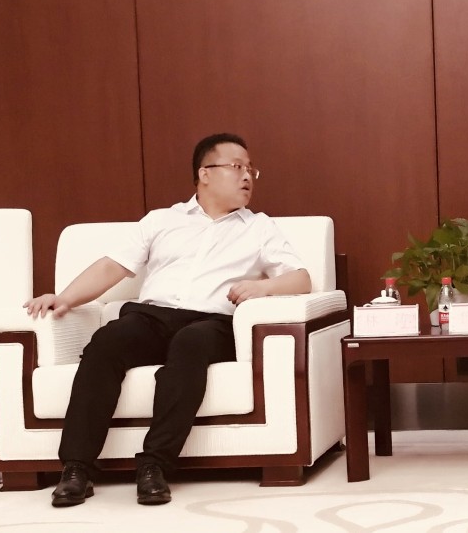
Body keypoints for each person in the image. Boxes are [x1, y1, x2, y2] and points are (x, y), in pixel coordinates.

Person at [24, 133, 311, 508]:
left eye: (251, 169)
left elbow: (301, 279)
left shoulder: (259, 227)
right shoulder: (161, 220)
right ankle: (76, 468)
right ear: (204, 173)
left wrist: (264, 287)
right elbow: (112, 266)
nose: (247, 176)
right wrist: (63, 298)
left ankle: (154, 465)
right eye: (237, 167)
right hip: (152, 317)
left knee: (189, 345)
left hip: (212, 323)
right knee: (106, 342)